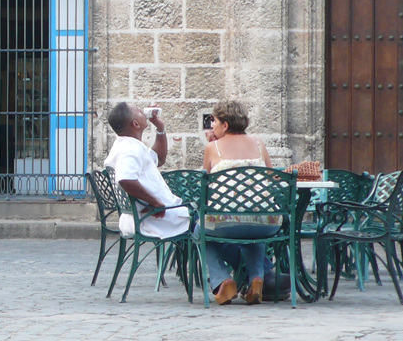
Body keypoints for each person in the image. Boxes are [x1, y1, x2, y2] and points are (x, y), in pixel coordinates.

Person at [200, 100, 282, 306]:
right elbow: (272, 179)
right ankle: (256, 278)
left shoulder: (212, 148)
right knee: (253, 225)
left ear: (225, 125)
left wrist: (214, 143)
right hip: (267, 223)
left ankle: (222, 280)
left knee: (200, 230)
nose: (212, 126)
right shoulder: (258, 144)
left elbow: (205, 186)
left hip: (225, 222)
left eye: (214, 121)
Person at [103, 102, 191, 240]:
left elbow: (159, 159)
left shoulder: (126, 144)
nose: (143, 112)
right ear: (136, 124)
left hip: (143, 217)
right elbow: (124, 178)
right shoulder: (131, 149)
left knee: (201, 221)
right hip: (154, 219)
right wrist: (154, 202)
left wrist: (160, 128)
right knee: (205, 224)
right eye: (139, 111)